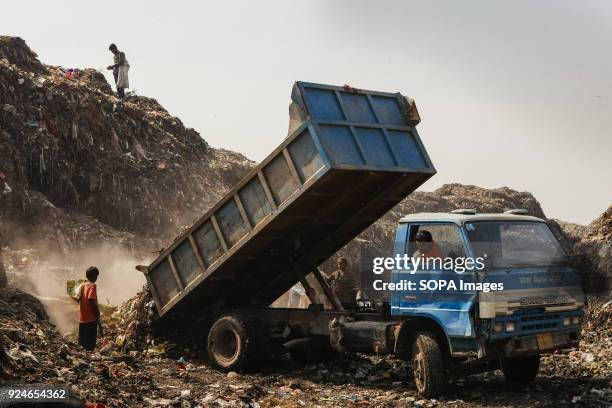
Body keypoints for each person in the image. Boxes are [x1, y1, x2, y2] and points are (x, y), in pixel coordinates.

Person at [78, 266, 103, 351]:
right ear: (94, 276)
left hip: (82, 318)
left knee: (82, 344)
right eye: (96, 276)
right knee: (89, 345)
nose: (96, 278)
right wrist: (97, 313)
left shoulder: (83, 285)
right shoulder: (92, 286)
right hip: (91, 319)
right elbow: (91, 299)